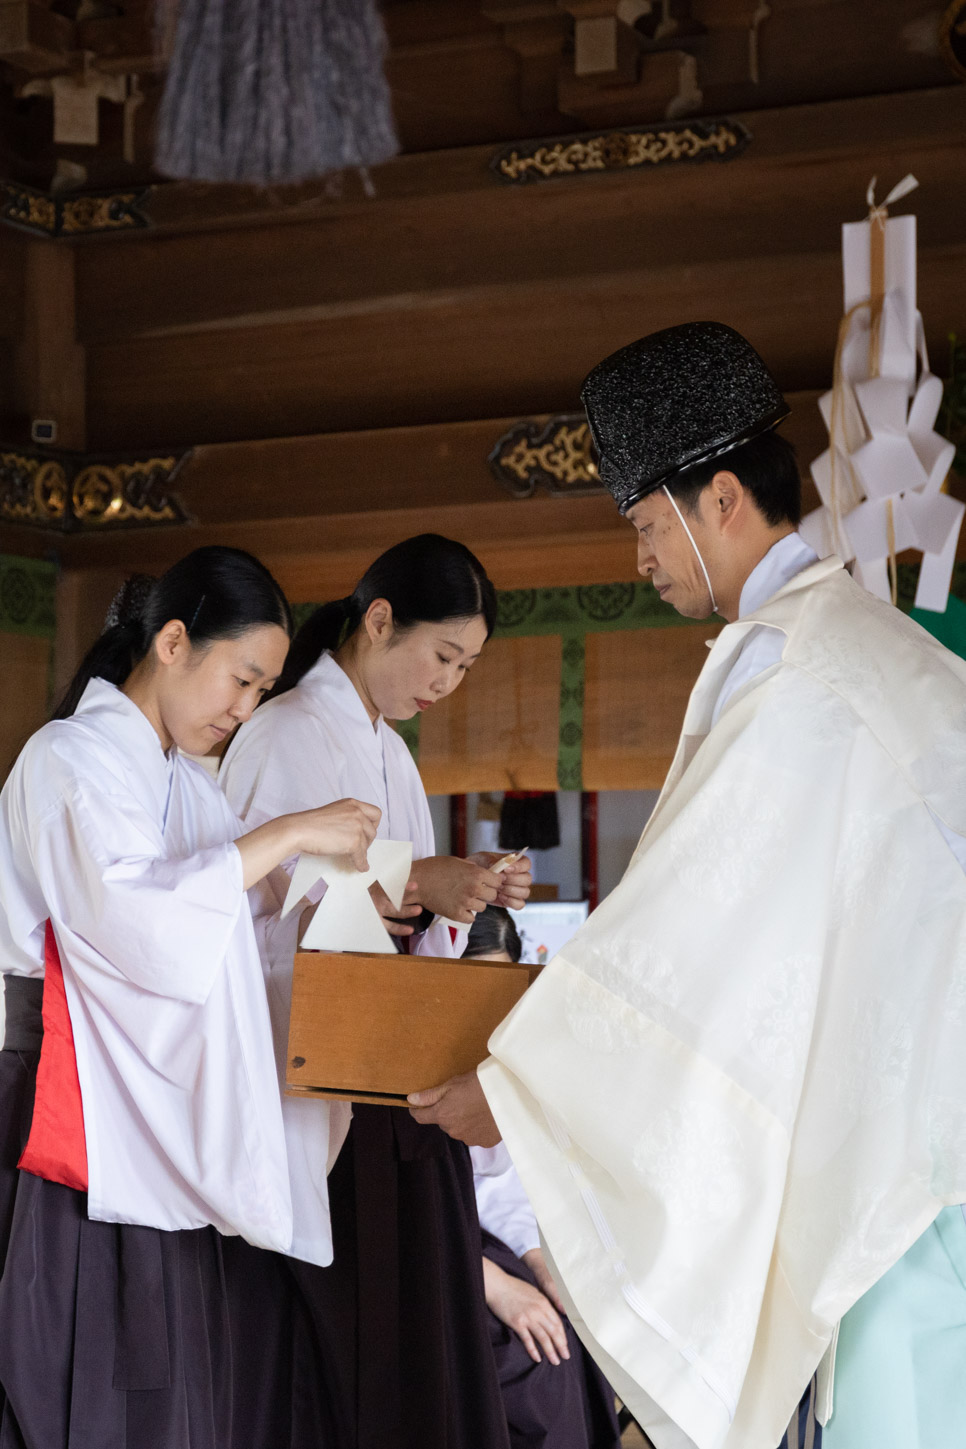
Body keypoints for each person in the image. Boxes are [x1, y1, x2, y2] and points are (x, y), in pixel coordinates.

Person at [409, 322, 966, 1449]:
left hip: (901, 1149)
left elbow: (695, 937)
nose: (640, 558)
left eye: (646, 526)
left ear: (721, 501)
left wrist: (516, 1093)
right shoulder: (879, 645)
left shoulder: (789, 664)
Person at [0, 546, 380, 1449]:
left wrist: (337, 883)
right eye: (242, 679)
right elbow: (143, 923)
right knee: (82, 1362)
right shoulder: (68, 757)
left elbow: (238, 906)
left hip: (144, 1097)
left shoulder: (180, 778)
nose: (245, 709)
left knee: (168, 1363)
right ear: (173, 641)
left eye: (263, 689)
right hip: (61, 1092)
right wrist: (290, 830)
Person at [219, 533, 532, 1449]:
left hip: (396, 1080)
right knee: (336, 1363)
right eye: (442, 655)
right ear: (380, 619)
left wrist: (459, 885)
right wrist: (413, 880)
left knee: (412, 1355)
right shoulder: (280, 729)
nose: (449, 682)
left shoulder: (393, 753)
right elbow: (263, 904)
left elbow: (401, 917)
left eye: (469, 667)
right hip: (313, 1079)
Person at [466, 908, 623, 1449]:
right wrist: (497, 1285)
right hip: (427, 1248)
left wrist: (539, 1264)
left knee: (574, 1316)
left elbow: (499, 1183)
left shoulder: (505, 1051)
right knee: (529, 1355)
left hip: (482, 1238)